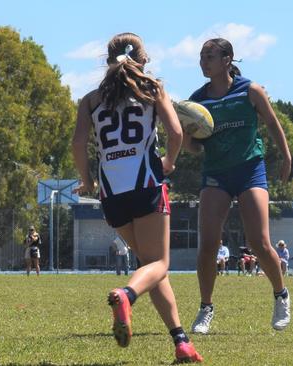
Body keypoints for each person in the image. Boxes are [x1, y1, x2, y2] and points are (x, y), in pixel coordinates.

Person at [72, 33, 202, 362]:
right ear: (143, 61)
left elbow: (78, 144)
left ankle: (181, 342)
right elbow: (175, 132)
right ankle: (126, 294)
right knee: (159, 264)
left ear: (107, 61)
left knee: (151, 266)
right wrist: (170, 161)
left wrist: (87, 181)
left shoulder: (90, 100)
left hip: (111, 194)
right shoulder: (152, 90)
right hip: (146, 184)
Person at [182, 38, 291, 334]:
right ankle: (205, 308)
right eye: (201, 56)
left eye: (209, 56)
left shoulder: (250, 90)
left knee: (258, 241)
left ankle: (281, 294)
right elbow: (193, 148)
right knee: (207, 244)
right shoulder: (197, 101)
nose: (203, 61)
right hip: (216, 173)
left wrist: (286, 155)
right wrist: (187, 134)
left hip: (249, 170)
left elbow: (271, 123)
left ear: (227, 60)